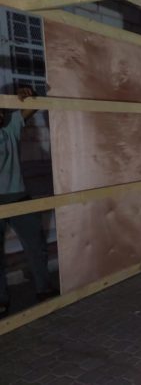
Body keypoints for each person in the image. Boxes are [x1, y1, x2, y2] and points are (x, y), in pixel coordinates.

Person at [0, 86, 56, 318]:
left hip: (18, 196)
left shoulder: (10, 126)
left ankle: (44, 290)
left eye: (1, 111)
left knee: (36, 246)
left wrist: (27, 93)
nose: (0, 115)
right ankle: (1, 300)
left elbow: (32, 104)